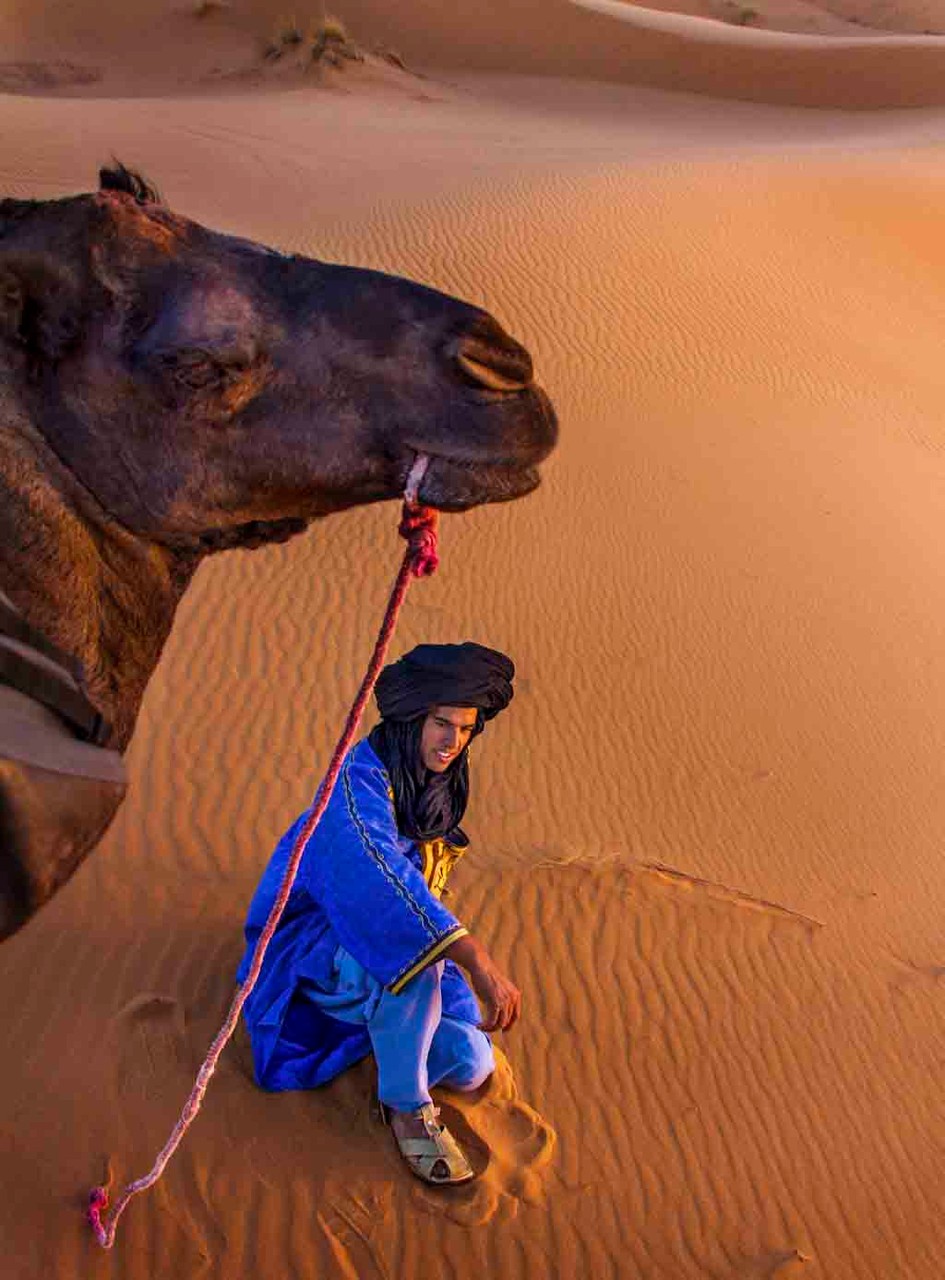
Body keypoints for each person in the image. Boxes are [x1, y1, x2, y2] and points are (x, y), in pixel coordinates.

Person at [237, 641, 521, 1186]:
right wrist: (474, 957)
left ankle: (394, 1047)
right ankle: (405, 1105)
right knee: (415, 959)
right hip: (314, 941)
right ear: (415, 715)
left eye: (464, 729)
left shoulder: (436, 786)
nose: (452, 742)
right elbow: (378, 881)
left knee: (470, 1062)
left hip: (396, 933)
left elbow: (420, 882)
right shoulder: (357, 781)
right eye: (441, 724)